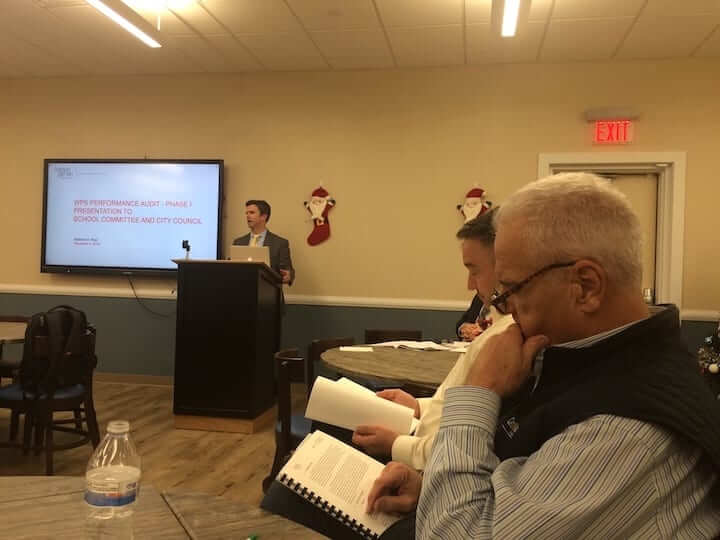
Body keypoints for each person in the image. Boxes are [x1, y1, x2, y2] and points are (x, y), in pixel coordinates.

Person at [367, 173, 720, 539]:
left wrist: (477, 391)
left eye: (511, 290)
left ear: (585, 287)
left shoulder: (625, 428)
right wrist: (431, 489)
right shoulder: (594, 359)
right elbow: (526, 486)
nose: (504, 308)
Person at [352, 210, 514, 470]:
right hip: (422, 442)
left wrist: (396, 446)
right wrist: (418, 406)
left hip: (425, 464)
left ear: (506, 267)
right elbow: (465, 407)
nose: (470, 284)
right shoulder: (500, 325)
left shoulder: (508, 338)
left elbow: (469, 440)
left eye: (474, 270)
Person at [233, 200, 294, 285]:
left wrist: (289, 275)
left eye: (251, 212)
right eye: (246, 213)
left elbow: (288, 269)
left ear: (264, 216)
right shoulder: (238, 242)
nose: (247, 216)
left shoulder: (280, 243)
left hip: (269, 294)